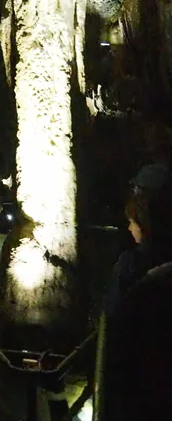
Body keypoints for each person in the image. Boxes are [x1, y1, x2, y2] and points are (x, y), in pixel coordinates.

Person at [100, 163, 172, 420]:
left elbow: (115, 327)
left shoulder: (131, 267)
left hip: (140, 389)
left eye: (132, 221)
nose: (129, 228)